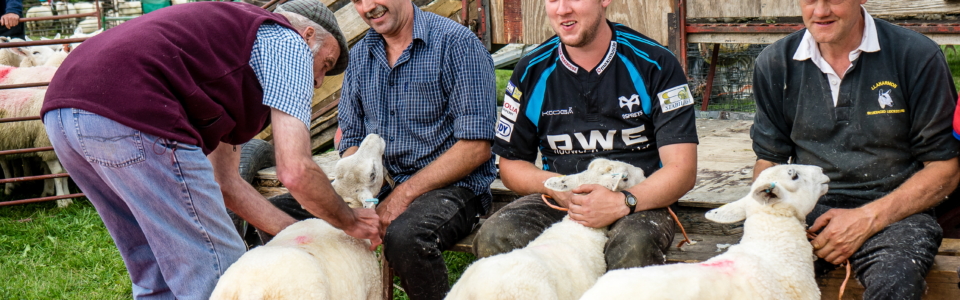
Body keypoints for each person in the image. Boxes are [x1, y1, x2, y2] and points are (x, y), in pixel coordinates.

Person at [39, 1, 381, 299]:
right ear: (307, 36)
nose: (319, 81)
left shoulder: (229, 47)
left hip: (63, 113)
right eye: (325, 64)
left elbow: (226, 183)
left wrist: (301, 235)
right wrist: (348, 220)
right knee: (223, 272)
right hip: (135, 110)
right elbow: (295, 170)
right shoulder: (286, 41)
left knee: (154, 271)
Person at [750, 0, 959, 299]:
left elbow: (945, 169)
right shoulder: (775, 62)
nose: (820, 11)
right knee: (757, 275)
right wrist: (773, 215)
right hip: (810, 207)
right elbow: (768, 161)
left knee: (896, 281)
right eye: (810, 0)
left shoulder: (915, 54)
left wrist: (867, 218)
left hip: (896, 213)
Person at [472, 0, 699, 271]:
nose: (563, 9)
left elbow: (682, 169)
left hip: (639, 199)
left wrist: (624, 201)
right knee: (496, 237)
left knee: (634, 246)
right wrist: (560, 187)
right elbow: (510, 165)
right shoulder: (531, 70)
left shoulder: (657, 63)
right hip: (563, 195)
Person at [337, 0, 496, 298]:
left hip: (451, 186)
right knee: (298, 211)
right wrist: (358, 192)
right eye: (357, 0)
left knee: (407, 238)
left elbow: (475, 148)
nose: (368, 6)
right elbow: (351, 136)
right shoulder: (360, 55)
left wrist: (402, 195)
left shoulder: (458, 44)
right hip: (382, 185)